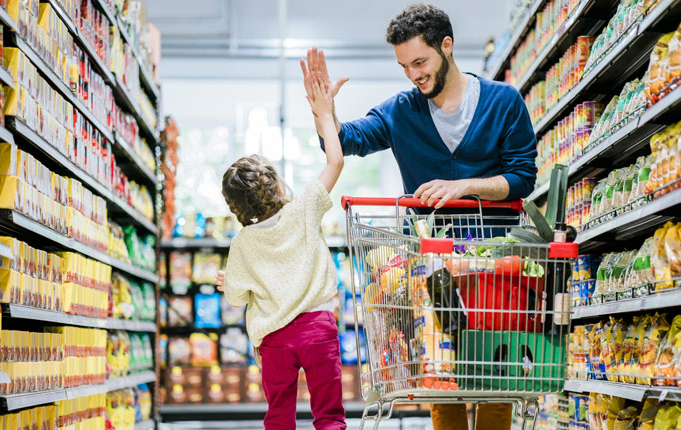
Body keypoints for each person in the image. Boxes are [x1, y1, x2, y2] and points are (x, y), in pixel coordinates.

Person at [300, 4, 538, 429]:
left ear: (446, 47)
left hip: (496, 262)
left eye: (420, 62)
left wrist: (466, 186)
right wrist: (324, 114)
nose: (413, 74)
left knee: (495, 374)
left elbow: (522, 177)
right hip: (431, 265)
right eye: (404, 66)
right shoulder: (401, 111)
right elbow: (349, 139)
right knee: (439, 372)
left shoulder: (505, 102)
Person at [217, 73, 349, 430]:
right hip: (318, 328)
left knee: (278, 416)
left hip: (274, 339)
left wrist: (227, 282)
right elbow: (335, 162)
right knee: (330, 415)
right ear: (276, 186)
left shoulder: (242, 243)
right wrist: (324, 115)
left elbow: (235, 298)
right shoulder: (304, 207)